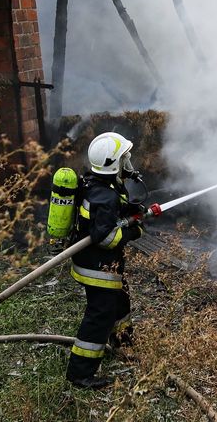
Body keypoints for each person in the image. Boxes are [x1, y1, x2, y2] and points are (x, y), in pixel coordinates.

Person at [65, 132, 145, 389]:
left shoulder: (97, 184)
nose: (128, 163)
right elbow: (107, 237)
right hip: (98, 268)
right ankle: (80, 374)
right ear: (114, 164)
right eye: (124, 159)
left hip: (96, 263)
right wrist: (134, 230)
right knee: (99, 315)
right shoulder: (106, 197)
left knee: (120, 301)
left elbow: (104, 215)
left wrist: (130, 211)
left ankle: (122, 344)